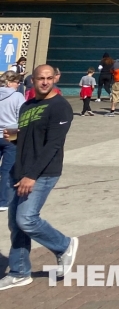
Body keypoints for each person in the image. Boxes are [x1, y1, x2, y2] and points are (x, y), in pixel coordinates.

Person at [0, 64, 78, 291]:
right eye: (40, 78)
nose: (44, 82)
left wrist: (32, 176)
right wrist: (14, 137)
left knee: (27, 219)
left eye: (48, 78)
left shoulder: (60, 107)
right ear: (31, 80)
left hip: (43, 172)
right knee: (16, 224)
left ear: (55, 78)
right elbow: (29, 137)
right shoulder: (27, 106)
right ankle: (19, 272)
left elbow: (53, 145)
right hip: (20, 171)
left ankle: (63, 245)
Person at [0, 72, 26, 212]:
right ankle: (3, 201)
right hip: (10, 134)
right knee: (7, 170)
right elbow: (21, 117)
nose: (18, 84)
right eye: (17, 82)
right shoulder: (17, 96)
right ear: (9, 82)